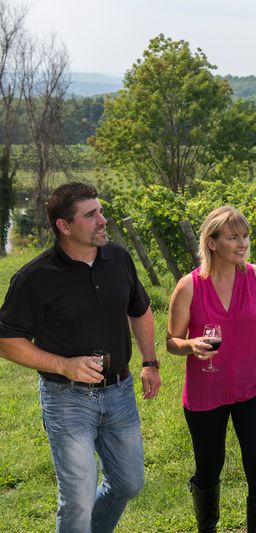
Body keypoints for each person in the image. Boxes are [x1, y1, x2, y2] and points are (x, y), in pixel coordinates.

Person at [0, 182, 161, 532]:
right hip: (66, 399)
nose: (102, 220)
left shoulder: (118, 257)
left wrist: (150, 362)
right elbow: (6, 339)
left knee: (129, 483)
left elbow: (141, 309)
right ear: (64, 225)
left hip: (119, 392)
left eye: (100, 211)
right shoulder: (35, 277)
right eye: (91, 215)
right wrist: (64, 365)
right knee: (77, 497)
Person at [166, 206, 256, 533]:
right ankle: (207, 527)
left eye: (245, 236)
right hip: (207, 393)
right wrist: (190, 345)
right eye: (234, 237)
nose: (243, 243)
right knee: (209, 468)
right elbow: (171, 341)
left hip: (255, 387)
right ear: (211, 242)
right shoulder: (189, 287)